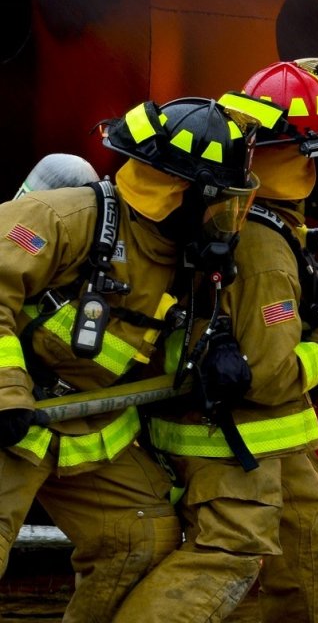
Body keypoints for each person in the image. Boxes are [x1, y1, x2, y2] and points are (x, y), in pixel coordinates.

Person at [0, 97, 258, 621]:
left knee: (139, 537)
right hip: (10, 420)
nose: (228, 221)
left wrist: (215, 353)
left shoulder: (182, 257)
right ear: (180, 194)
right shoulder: (63, 218)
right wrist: (6, 393)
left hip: (83, 423)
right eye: (221, 203)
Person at [116, 59, 318, 622]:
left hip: (253, 439)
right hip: (234, 438)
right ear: (312, 157)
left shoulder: (240, 217)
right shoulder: (266, 249)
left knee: (310, 538)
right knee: (228, 557)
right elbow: (271, 375)